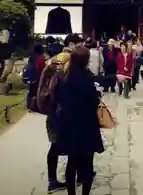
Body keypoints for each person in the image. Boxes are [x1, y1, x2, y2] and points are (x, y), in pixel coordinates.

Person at [54, 47, 104, 195]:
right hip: (86, 125)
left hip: (69, 125)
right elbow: (93, 100)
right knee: (87, 164)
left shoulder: (65, 77)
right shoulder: (86, 78)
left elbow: (60, 99)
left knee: (72, 163)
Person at [42, 33, 81, 194]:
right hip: (63, 110)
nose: (79, 48)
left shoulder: (52, 60)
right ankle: (76, 177)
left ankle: (53, 180)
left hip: (53, 109)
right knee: (70, 144)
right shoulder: (68, 60)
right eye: (78, 45)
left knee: (55, 144)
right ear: (71, 44)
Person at [24, 43, 46, 111]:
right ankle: (35, 106)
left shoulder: (31, 57)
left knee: (31, 92)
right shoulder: (40, 58)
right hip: (38, 78)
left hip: (31, 77)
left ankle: (29, 106)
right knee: (37, 92)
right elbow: (42, 69)